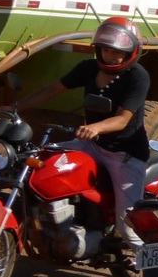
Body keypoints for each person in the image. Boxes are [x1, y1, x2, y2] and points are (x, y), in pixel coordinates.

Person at [9, 16, 150, 250]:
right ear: (98, 49)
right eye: (106, 50)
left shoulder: (137, 76)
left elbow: (123, 119)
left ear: (130, 52)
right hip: (92, 145)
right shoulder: (88, 68)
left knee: (128, 227)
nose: (111, 56)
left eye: (118, 52)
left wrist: (95, 127)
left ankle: (155, 273)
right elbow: (53, 89)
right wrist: (16, 108)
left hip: (125, 154)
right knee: (42, 161)